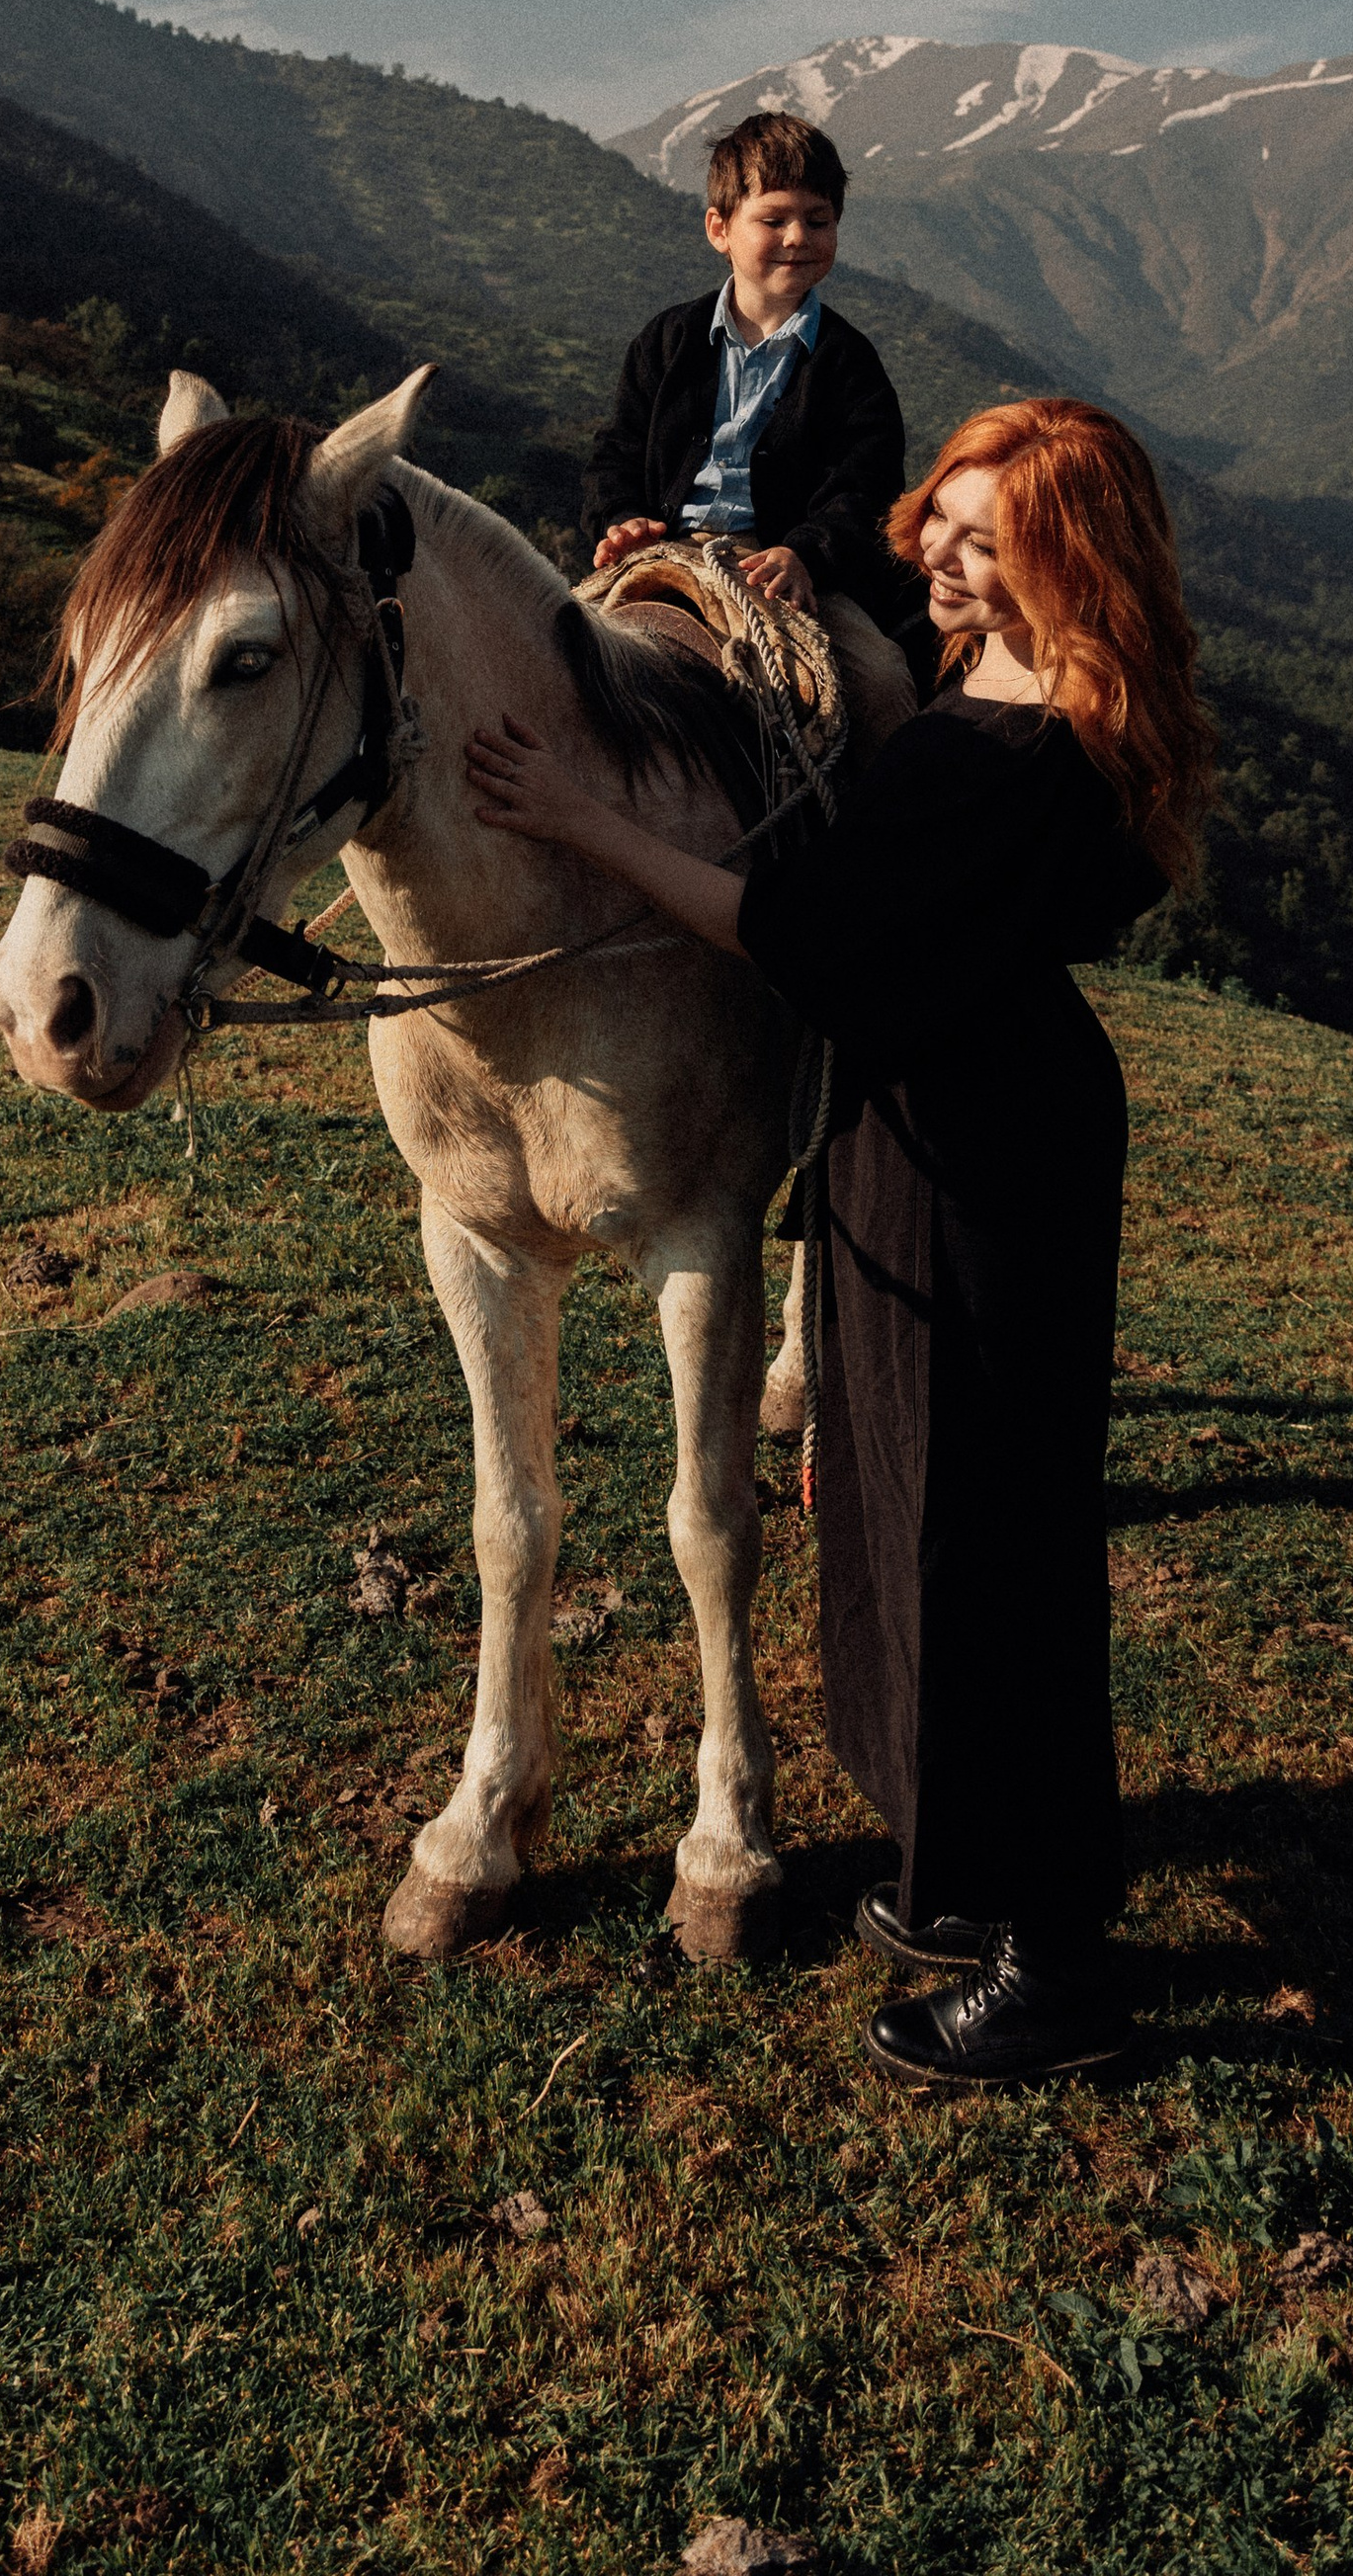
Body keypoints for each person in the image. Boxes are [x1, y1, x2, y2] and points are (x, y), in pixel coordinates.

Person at [469, 395, 1215, 2090]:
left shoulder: (1019, 744)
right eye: (938, 514)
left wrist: (583, 823)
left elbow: (795, 931)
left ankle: (1057, 1964)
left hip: (978, 1148)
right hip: (952, 1110)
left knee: (996, 1536)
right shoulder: (1027, 683)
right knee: (910, 1496)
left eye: (981, 536)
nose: (936, 549)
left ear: (1069, 558)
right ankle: (969, 1869)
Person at [582, 110, 907, 622]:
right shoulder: (666, 341)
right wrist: (623, 519)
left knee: (878, 667)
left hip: (783, 568)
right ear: (720, 229)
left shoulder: (848, 361)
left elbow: (867, 485)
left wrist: (806, 553)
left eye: (818, 221)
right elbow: (616, 452)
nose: (797, 237)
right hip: (667, 551)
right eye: (774, 221)